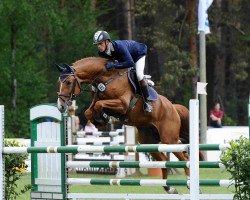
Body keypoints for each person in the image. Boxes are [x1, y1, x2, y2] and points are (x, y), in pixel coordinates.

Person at [92, 30, 152, 113]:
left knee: (139, 75)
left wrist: (114, 65)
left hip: (138, 54)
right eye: (97, 45)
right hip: (126, 58)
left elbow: (130, 63)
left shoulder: (118, 46)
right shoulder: (101, 53)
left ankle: (147, 102)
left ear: (107, 42)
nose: (98, 46)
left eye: (100, 44)